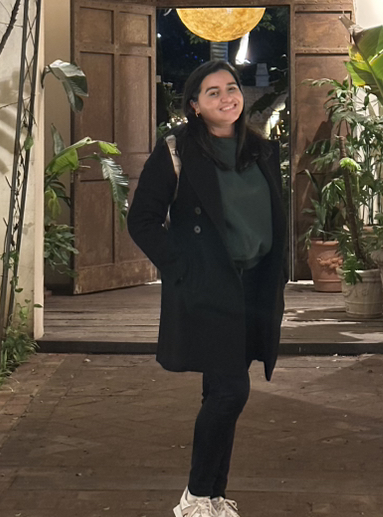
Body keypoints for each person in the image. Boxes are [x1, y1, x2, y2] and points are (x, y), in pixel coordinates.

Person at [127, 60, 288, 517]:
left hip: (254, 287)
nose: (226, 98)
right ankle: (195, 498)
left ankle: (214, 497)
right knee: (231, 391)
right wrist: (183, 267)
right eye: (212, 92)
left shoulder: (261, 150)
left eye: (231, 88)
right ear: (195, 105)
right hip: (209, 286)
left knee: (221, 391)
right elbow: (141, 220)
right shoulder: (176, 151)